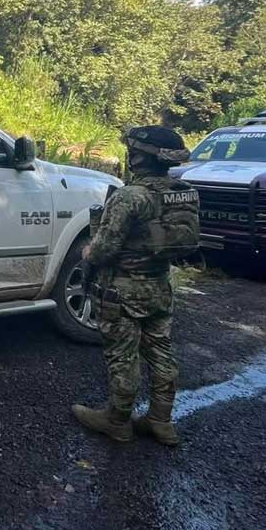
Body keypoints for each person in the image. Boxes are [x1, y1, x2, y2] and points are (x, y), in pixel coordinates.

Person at [72, 126, 199, 446]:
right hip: (159, 287)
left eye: (132, 151)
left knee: (123, 358)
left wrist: (87, 252)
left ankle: (117, 421)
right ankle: (161, 420)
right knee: (161, 353)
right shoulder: (185, 192)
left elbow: (104, 249)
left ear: (139, 157)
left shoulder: (129, 197)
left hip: (121, 292)